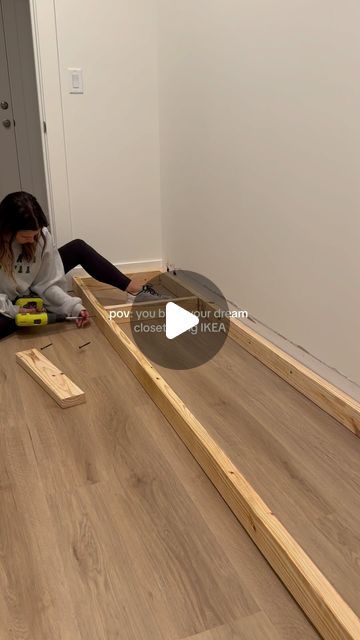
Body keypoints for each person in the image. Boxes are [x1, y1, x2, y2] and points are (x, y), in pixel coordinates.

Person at [0, 191, 165, 340]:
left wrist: (73, 307)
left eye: (35, 235)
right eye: (26, 236)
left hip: (33, 286)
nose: (32, 240)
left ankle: (135, 290)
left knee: (78, 248)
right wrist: (16, 311)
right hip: (5, 297)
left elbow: (47, 283)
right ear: (8, 230)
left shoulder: (41, 237)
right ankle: (34, 313)